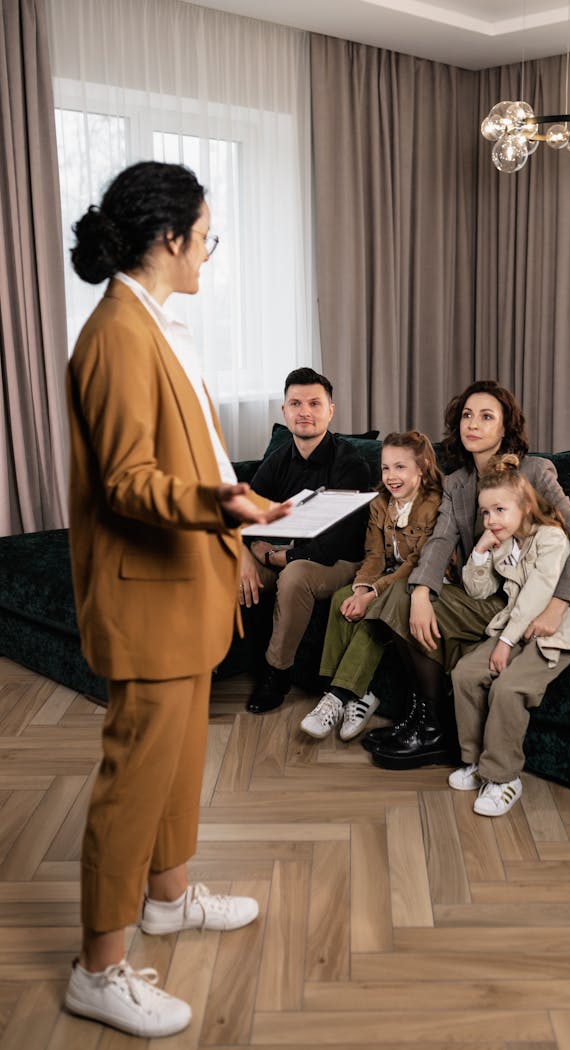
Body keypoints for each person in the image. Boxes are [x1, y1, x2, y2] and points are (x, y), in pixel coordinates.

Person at [63, 161, 289, 1038]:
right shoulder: (118, 331)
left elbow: (185, 456)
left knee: (180, 760)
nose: (208, 252)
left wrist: (235, 500)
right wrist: (218, 503)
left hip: (183, 591)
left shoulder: (156, 323)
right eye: (207, 237)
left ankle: (165, 899)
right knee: (135, 779)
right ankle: (98, 968)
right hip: (146, 600)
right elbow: (127, 481)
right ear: (170, 237)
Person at [366, 379, 570, 770]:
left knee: (406, 598)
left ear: (506, 428)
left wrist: (559, 606)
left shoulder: (536, 472)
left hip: (533, 597)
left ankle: (432, 727)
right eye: (467, 415)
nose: (472, 424)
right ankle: (430, 722)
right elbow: (439, 541)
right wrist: (422, 592)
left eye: (486, 416)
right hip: (484, 592)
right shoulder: (457, 483)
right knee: (404, 596)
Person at [448, 454, 570, 815]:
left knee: (510, 686)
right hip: (516, 623)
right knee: (465, 673)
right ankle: (475, 762)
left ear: (526, 506)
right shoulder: (502, 543)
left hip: (558, 627)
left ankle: (503, 777)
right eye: (485, 513)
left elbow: (537, 596)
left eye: (499, 510)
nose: (491, 520)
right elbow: (478, 592)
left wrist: (505, 643)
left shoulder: (552, 539)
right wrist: (480, 555)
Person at [239, 367, 372, 713]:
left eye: (315, 403)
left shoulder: (350, 463)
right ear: (283, 411)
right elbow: (246, 516)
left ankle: (277, 674)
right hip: (281, 552)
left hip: (339, 561)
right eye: (295, 403)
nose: (305, 411)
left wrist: (273, 558)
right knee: (225, 565)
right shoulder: (278, 460)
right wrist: (244, 555)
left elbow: (335, 544)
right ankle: (202, 665)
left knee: (295, 577)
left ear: (331, 410)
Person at [300, 432, 443, 741]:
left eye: (401, 467)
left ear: (422, 468)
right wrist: (362, 587)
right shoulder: (379, 503)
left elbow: (416, 563)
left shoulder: (434, 505)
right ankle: (356, 695)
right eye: (385, 468)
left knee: (373, 611)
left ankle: (337, 695)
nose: (391, 476)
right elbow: (375, 554)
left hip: (421, 580)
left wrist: (373, 595)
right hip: (387, 577)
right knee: (343, 598)